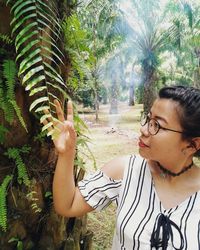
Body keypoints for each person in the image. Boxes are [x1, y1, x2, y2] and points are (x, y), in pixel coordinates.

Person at [44, 85, 200, 249]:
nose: (143, 129)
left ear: (192, 145)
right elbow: (67, 205)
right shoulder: (125, 170)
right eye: (148, 119)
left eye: (157, 125)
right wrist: (67, 154)